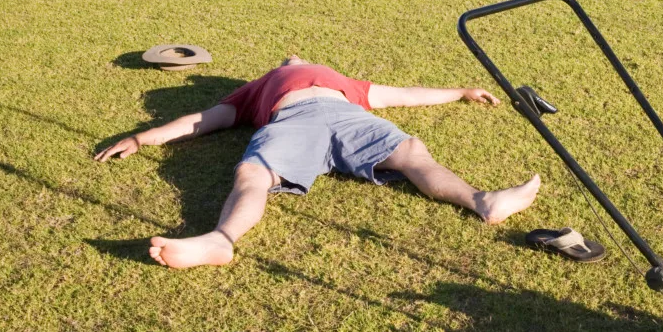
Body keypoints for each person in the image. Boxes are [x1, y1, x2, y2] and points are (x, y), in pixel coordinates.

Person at [95, 56, 541, 269]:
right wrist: (143, 137)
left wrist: (460, 91)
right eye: (288, 59)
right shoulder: (261, 86)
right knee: (253, 174)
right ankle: (219, 239)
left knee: (410, 152)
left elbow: (402, 95)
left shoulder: (344, 82)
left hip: (348, 117)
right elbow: (206, 119)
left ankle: (484, 201)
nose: (294, 57)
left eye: (298, 58)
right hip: (292, 121)